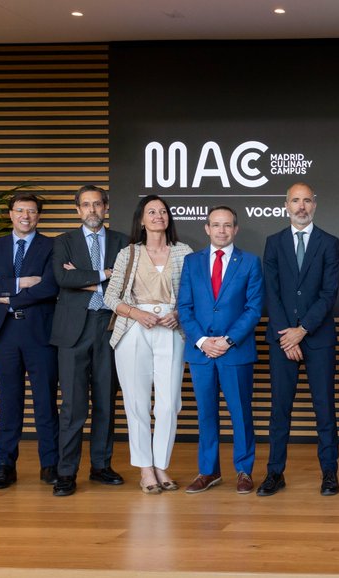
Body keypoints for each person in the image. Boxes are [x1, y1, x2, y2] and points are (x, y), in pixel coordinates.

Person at [104, 194, 192, 494]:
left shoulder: (183, 252)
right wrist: (136, 313)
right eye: (151, 212)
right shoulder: (128, 253)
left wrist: (178, 314)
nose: (158, 216)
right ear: (141, 219)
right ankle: (145, 468)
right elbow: (111, 296)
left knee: (169, 403)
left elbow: (193, 294)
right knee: (136, 402)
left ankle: (161, 464)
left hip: (171, 328)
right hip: (134, 329)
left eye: (163, 211)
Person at [0, 191, 61, 490]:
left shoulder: (52, 245)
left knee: (45, 401)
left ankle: (50, 464)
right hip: (5, 334)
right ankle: (5, 466)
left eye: (32, 211)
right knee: (9, 402)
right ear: (11, 214)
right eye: (20, 210)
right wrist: (21, 283)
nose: (26, 216)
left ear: (39, 216)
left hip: (40, 333)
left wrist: (6, 294)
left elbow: (50, 286)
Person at [261, 182, 339, 497]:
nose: (301, 206)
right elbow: (272, 292)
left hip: (317, 337)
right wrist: (288, 335)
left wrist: (303, 329)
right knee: (279, 409)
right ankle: (275, 473)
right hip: (283, 339)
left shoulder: (329, 242)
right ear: (286, 205)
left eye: (307, 200)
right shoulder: (274, 243)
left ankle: (329, 473)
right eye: (295, 200)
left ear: (314, 205)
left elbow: (328, 293)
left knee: (325, 408)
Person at [177, 206, 264, 495]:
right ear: (207, 228)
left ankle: (244, 470)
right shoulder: (191, 262)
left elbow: (253, 308)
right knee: (206, 414)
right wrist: (202, 341)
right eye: (216, 225)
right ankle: (209, 471)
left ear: (235, 229)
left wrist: (228, 340)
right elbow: (185, 307)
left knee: (240, 413)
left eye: (227, 225)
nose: (222, 230)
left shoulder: (250, 262)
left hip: (235, 352)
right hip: (201, 353)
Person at [51, 184, 129, 496]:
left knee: (106, 401)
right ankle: (66, 472)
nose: (92, 210)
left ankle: (101, 466)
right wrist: (105, 275)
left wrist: (84, 277)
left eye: (97, 204)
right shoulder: (63, 242)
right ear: (77, 210)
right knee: (73, 406)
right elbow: (63, 278)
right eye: (86, 205)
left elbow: (126, 283)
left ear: (106, 207)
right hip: (73, 331)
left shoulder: (123, 241)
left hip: (108, 327)